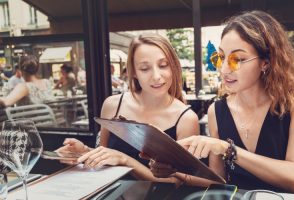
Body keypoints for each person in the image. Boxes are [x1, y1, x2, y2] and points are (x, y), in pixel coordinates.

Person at [151, 10, 294, 194]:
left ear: (266, 62)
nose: (224, 68)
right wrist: (176, 173)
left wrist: (229, 150)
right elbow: (218, 181)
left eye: (237, 59)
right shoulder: (217, 111)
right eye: (220, 58)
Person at [58, 34, 200, 183]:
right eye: (145, 68)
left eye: (163, 65)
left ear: (174, 66)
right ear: (134, 73)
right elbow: (106, 158)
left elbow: (179, 182)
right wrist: (84, 152)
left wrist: (125, 160)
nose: (156, 76)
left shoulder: (186, 118)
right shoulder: (113, 105)